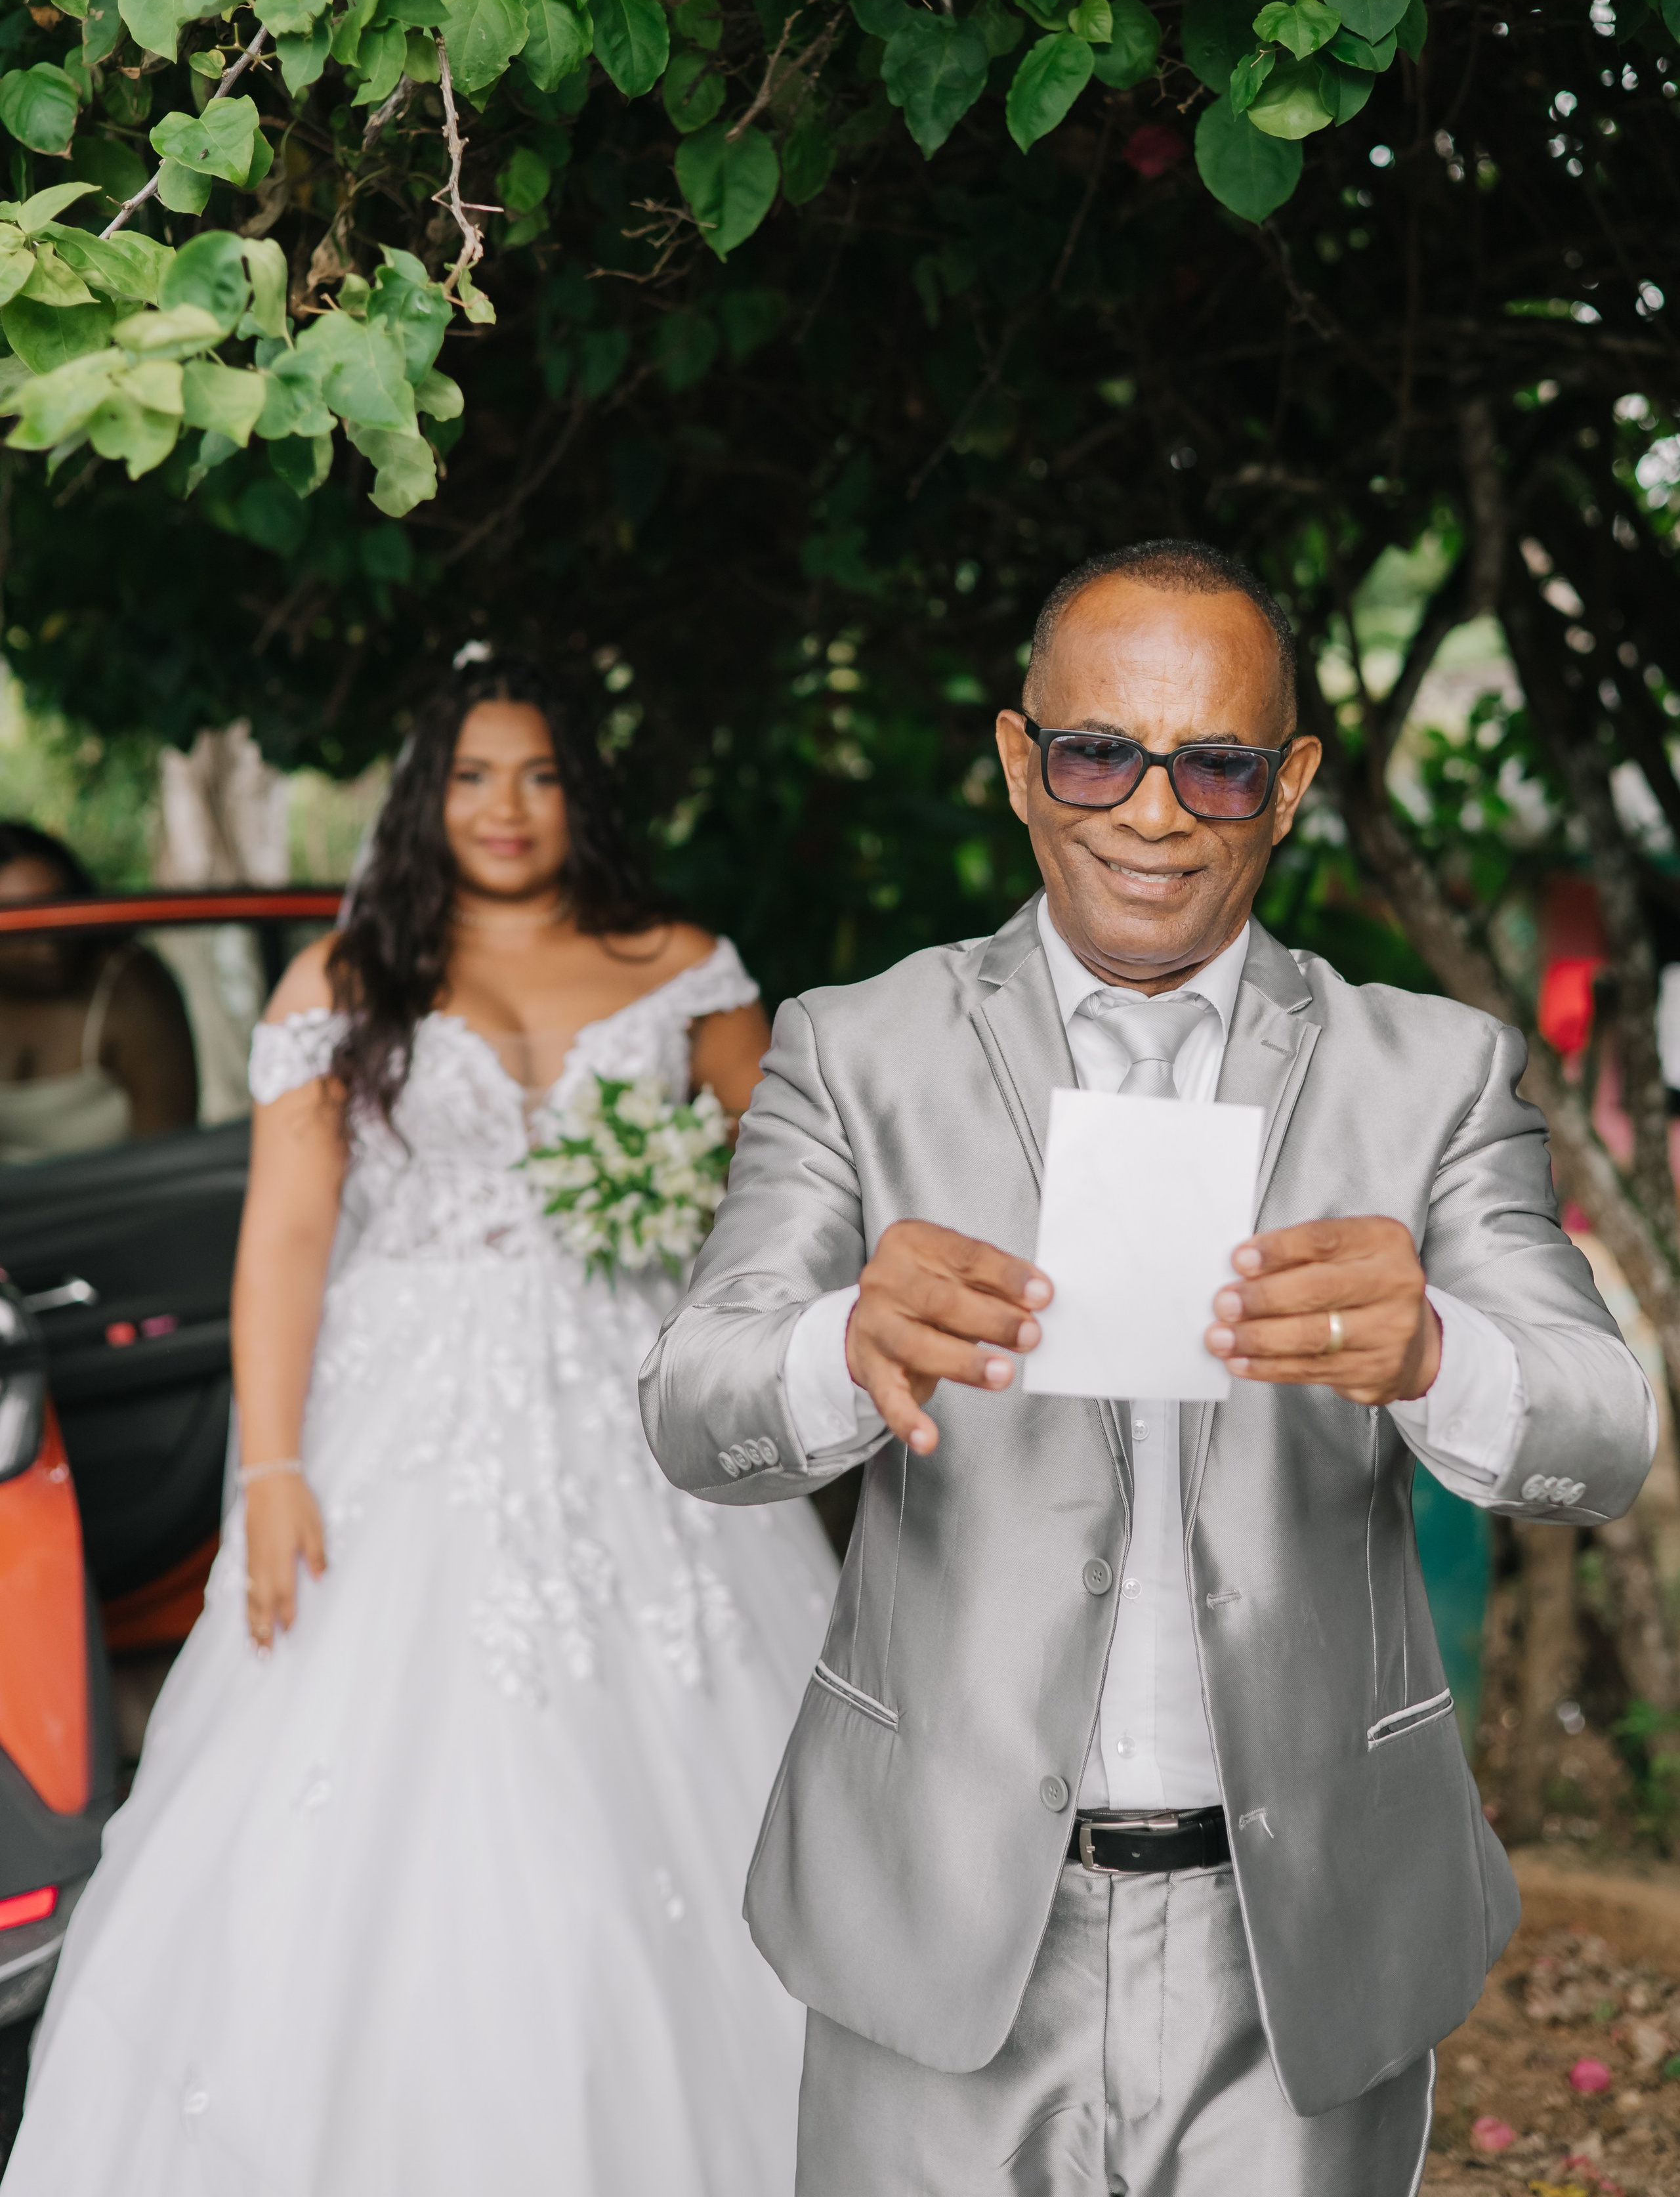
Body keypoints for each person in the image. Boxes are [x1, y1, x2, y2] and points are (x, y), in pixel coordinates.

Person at [640, 542, 1657, 2197]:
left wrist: (1433, 1351)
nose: (1153, 813)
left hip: (1302, 1939)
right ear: (1016, 760)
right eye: (1096, 754)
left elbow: (1601, 1435)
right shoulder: (850, 1049)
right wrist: (841, 1342)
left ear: (1289, 784)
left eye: (1217, 765)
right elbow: (693, 1410)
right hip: (937, 1915)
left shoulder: (1431, 1073)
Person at [5, 660, 835, 2197]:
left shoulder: (682, 968)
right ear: (425, 796)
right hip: (402, 1428)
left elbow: (791, 1194)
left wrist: (699, 1235)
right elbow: (282, 1242)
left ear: (582, 792)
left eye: (538, 774)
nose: (504, 808)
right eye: (471, 776)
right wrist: (270, 1469)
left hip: (636, 1416)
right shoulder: (346, 978)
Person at [0, 823, 196, 1160]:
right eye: (23, 926)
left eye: (59, 911)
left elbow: (168, 1162)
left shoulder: (131, 989)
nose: (48, 945)